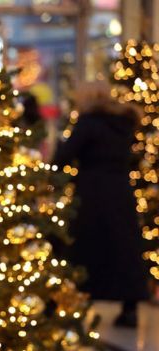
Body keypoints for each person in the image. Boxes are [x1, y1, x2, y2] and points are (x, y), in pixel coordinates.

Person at [53, 81, 148, 328]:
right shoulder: (124, 123)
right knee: (123, 247)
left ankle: (81, 302)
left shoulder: (88, 124)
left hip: (92, 193)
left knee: (87, 245)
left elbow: (63, 158)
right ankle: (130, 308)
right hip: (120, 190)